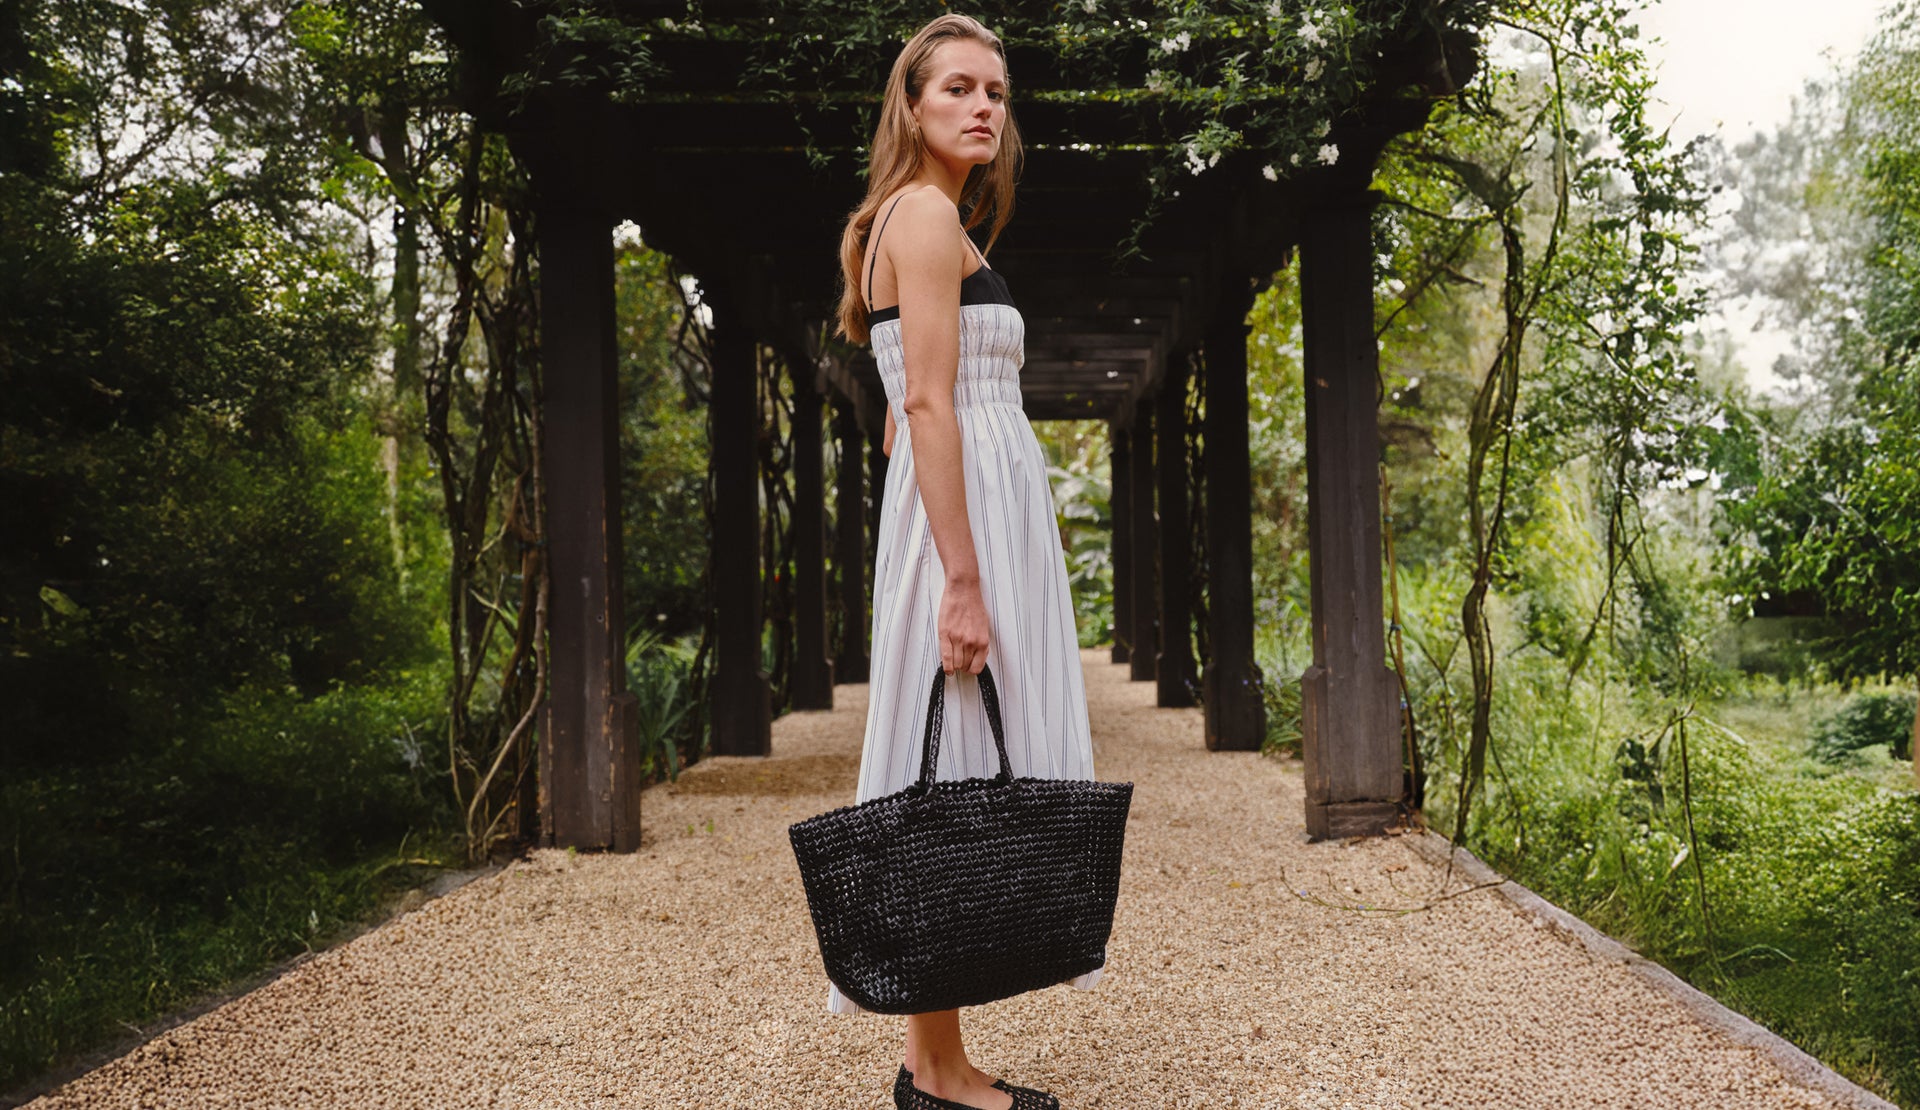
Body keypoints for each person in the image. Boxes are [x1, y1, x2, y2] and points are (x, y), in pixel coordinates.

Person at [829, 13, 1098, 1110]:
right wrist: (964, 577)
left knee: (955, 773)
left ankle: (933, 1059)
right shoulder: (929, 216)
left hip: (967, 500)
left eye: (995, 89)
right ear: (913, 104)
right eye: (957, 88)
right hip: (966, 520)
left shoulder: (910, 221)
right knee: (948, 779)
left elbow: (900, 411)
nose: (983, 105)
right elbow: (929, 402)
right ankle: (934, 1073)